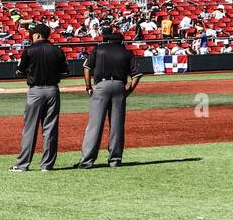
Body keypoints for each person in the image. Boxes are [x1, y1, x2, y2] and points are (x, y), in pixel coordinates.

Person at [76, 29, 144, 168]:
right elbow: (136, 75)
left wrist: (88, 86)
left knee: (95, 125)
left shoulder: (98, 49)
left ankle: (87, 161)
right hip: (119, 86)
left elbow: (87, 68)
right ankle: (115, 160)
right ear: (120, 41)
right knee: (117, 125)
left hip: (101, 86)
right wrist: (128, 90)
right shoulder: (126, 52)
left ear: (107, 39)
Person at [9, 23, 67, 172]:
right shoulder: (57, 50)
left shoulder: (29, 50)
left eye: (33, 34)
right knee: (50, 128)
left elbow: (19, 71)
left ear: (38, 35)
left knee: (30, 128)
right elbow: (65, 72)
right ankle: (47, 165)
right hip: (53, 90)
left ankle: (22, 165)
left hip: (35, 91)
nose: (32, 36)